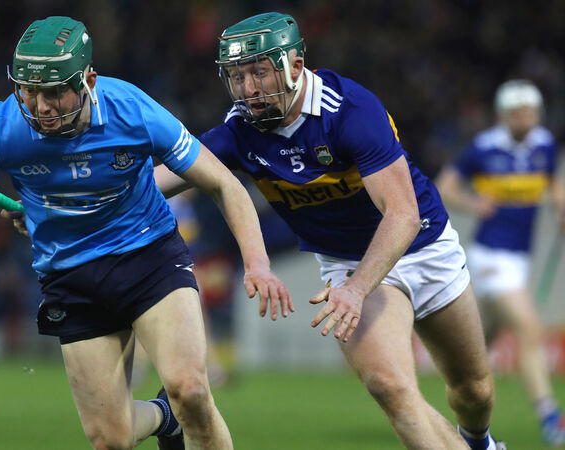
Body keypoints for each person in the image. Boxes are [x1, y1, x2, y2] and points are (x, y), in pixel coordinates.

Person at [0, 16, 293, 450]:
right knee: (112, 440)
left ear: (88, 81)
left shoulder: (131, 110)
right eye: (29, 91)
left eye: (54, 92)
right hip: (72, 277)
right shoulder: (4, 127)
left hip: (149, 258)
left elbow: (222, 182)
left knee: (191, 391)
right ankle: (165, 417)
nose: (41, 107)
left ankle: (180, 408)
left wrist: (257, 263)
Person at [155, 12, 502, 450]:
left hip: (422, 244)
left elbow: (403, 216)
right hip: (347, 262)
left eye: (258, 72)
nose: (248, 89)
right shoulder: (239, 131)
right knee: (388, 384)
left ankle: (480, 441)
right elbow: (160, 179)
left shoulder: (350, 111)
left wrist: (355, 291)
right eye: (237, 76)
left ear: (295, 66)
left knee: (474, 391)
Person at [436, 79, 565, 446]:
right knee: (529, 328)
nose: (526, 118)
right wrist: (474, 204)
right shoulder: (483, 147)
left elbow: (553, 181)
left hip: (520, 258)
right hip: (490, 255)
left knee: (473, 354)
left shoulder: (544, 144)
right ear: (504, 115)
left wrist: (560, 204)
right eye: (518, 112)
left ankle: (454, 414)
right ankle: (550, 418)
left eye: (531, 111)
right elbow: (444, 186)